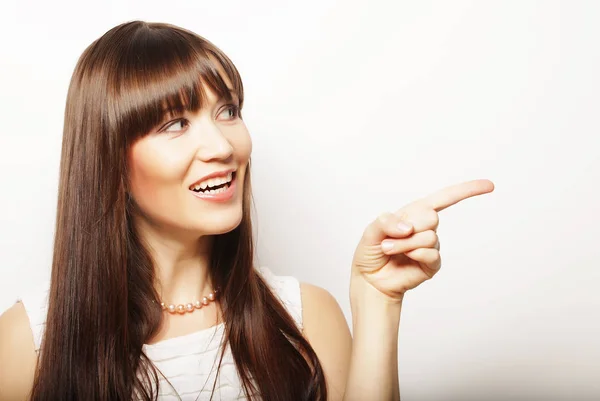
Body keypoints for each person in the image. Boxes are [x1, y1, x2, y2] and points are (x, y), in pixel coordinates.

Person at [0, 20, 494, 401]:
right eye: (175, 123)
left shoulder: (304, 318)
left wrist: (378, 304)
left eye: (228, 111)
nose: (222, 145)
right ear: (109, 160)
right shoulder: (26, 345)